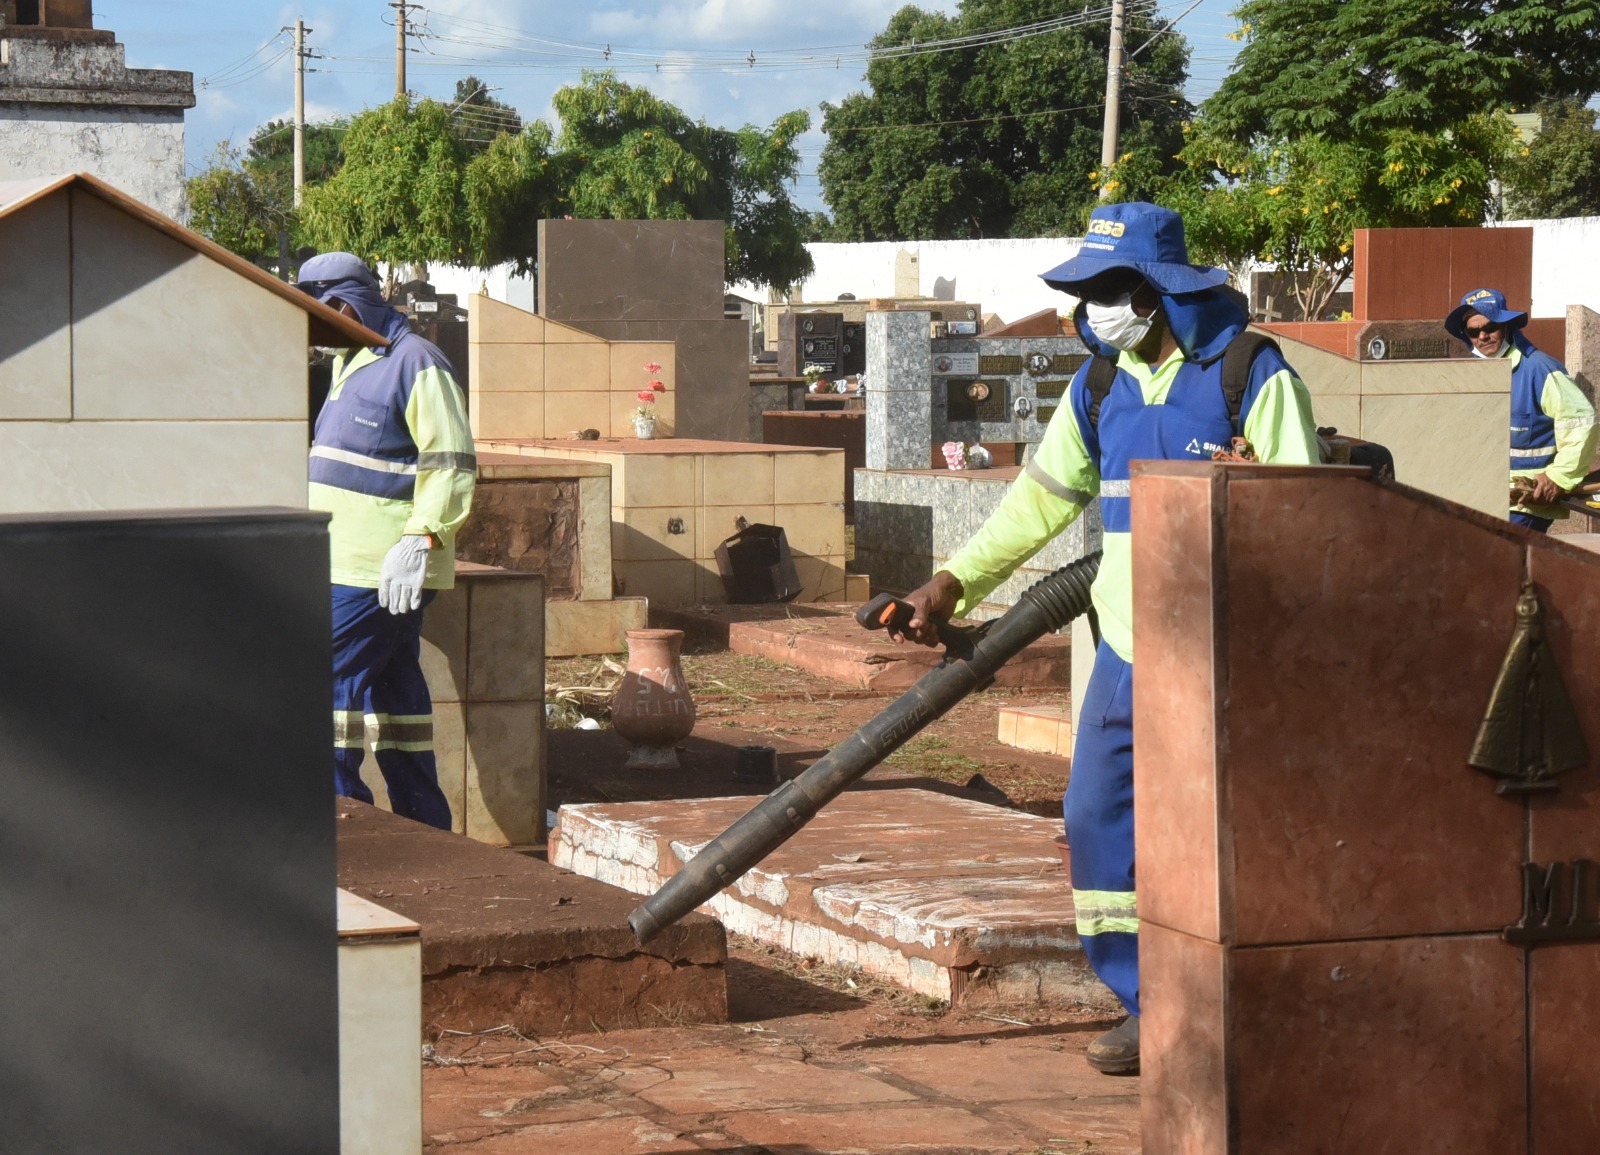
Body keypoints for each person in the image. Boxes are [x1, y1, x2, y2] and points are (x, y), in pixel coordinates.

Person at [892, 203, 1321, 1074]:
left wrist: (1260, 494)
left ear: (1157, 293)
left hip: (1227, 654)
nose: (1093, 309)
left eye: (1107, 291)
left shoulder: (1249, 374)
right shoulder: (1099, 385)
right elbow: (1039, 501)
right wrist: (954, 579)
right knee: (1095, 819)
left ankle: (1251, 1003)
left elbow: (1312, 517)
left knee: (1226, 832)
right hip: (1129, 649)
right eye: (1084, 292)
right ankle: (1147, 1002)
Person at [298, 253, 476, 831]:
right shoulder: (352, 362)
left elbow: (451, 463)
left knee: (325, 687)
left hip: (380, 569)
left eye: (320, 316)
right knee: (397, 699)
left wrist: (422, 537)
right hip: (349, 565)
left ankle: (341, 828)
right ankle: (425, 830)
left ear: (344, 305)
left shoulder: (416, 362)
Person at [1443, 288, 1598, 532]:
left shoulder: (1540, 370)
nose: (1483, 336)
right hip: (1487, 495)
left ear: (1507, 327)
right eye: (1473, 331)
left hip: (1527, 501)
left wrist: (1558, 478)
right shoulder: (1476, 374)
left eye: (1490, 327)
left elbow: (1581, 425)